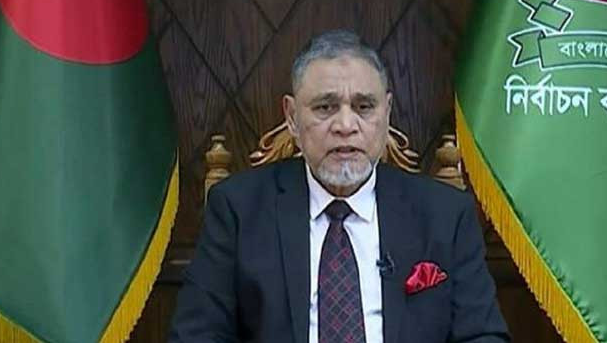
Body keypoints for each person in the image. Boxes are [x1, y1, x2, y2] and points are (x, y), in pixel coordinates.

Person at [169, 30, 511, 343]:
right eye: (325, 107)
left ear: (387, 113)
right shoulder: (238, 210)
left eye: (364, 107)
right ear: (292, 117)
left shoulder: (445, 215)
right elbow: (196, 336)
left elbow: (483, 336)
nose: (346, 125)